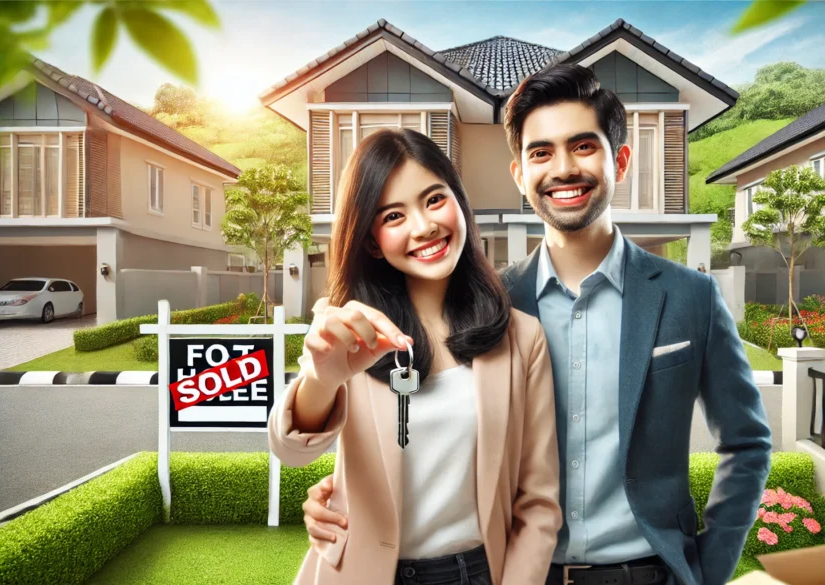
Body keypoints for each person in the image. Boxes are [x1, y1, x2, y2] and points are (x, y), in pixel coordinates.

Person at [303, 64, 772, 585]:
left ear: (620, 158)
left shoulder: (691, 297)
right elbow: (435, 436)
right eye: (541, 152)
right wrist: (342, 489)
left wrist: (709, 569)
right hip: (519, 570)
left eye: (583, 146)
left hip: (651, 571)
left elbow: (747, 442)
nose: (563, 168)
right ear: (519, 174)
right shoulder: (488, 309)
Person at [268, 128, 562, 585]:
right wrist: (322, 380)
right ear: (370, 241)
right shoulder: (350, 330)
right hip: (360, 572)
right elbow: (290, 451)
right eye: (393, 216)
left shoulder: (523, 339)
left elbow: (539, 503)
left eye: (433, 199)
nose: (423, 226)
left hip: (480, 573)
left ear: (460, 202)